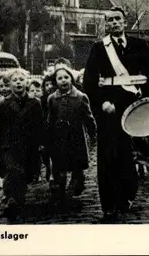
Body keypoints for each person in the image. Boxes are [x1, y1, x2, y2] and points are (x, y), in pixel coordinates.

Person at [83, 6, 149, 221]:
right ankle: (108, 205)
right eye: (110, 20)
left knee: (130, 155)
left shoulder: (139, 45)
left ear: (125, 22)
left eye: (118, 19)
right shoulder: (98, 48)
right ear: (106, 24)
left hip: (134, 107)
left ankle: (126, 196)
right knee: (108, 157)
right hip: (110, 110)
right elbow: (89, 81)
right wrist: (102, 102)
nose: (114, 23)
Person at [0, 68, 45, 223]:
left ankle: (17, 200)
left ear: (26, 82)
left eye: (21, 80)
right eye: (15, 80)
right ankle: (11, 200)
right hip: (9, 146)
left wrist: (41, 143)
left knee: (25, 175)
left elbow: (40, 125)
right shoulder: (4, 104)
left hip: (28, 146)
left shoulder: (35, 103)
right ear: (10, 84)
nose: (18, 82)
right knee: (13, 172)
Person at [47, 66, 97, 207]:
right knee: (59, 166)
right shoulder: (52, 99)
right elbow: (50, 119)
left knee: (77, 164)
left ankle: (78, 181)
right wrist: (48, 136)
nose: (63, 81)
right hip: (59, 138)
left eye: (66, 77)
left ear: (72, 79)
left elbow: (89, 118)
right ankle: (59, 193)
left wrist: (93, 134)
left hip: (76, 137)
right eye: (60, 78)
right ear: (55, 81)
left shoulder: (80, 97)